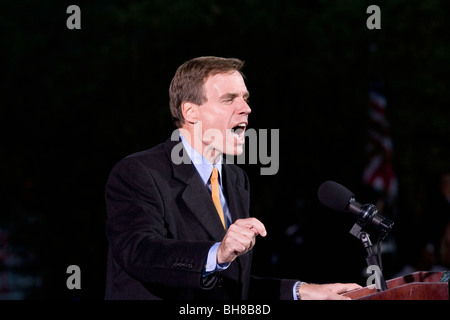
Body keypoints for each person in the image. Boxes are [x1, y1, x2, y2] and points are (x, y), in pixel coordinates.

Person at [104, 56, 361, 300]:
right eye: (229, 99)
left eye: (245, 98)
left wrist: (302, 291)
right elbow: (139, 253)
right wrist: (218, 253)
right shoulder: (139, 172)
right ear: (191, 112)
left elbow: (231, 287)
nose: (246, 108)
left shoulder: (236, 179)